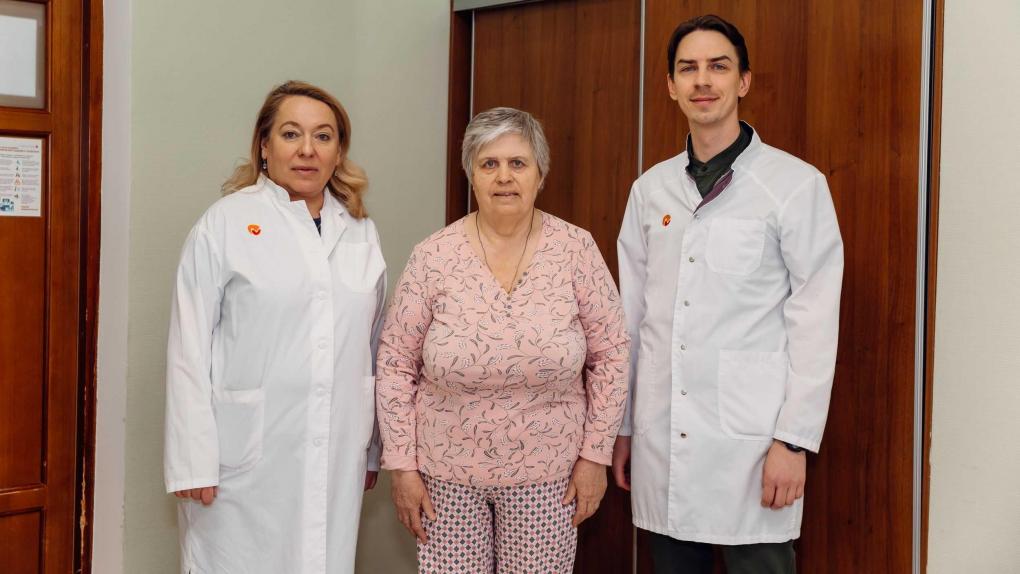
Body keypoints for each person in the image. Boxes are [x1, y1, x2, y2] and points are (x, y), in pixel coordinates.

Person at [613, 14, 844, 574]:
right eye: (688, 68)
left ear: (743, 81)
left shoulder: (795, 186)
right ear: (671, 86)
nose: (703, 80)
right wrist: (621, 428)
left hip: (754, 450)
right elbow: (631, 319)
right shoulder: (650, 191)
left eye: (718, 66)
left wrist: (794, 441)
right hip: (663, 444)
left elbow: (815, 321)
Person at [376, 107, 630, 573]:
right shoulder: (433, 255)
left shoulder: (575, 249)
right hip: (443, 476)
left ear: (540, 174)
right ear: (471, 175)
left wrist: (595, 456)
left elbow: (612, 357)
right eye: (489, 163)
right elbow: (395, 364)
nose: (504, 177)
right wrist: (402, 467)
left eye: (518, 163)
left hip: (550, 475)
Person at [163, 80, 385, 574]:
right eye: (290, 134)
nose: (307, 150)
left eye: (323, 136)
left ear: (338, 152)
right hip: (241, 461)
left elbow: (371, 350)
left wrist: (370, 450)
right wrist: (191, 459)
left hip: (336, 450)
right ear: (264, 146)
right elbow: (188, 347)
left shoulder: (360, 231)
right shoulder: (225, 223)